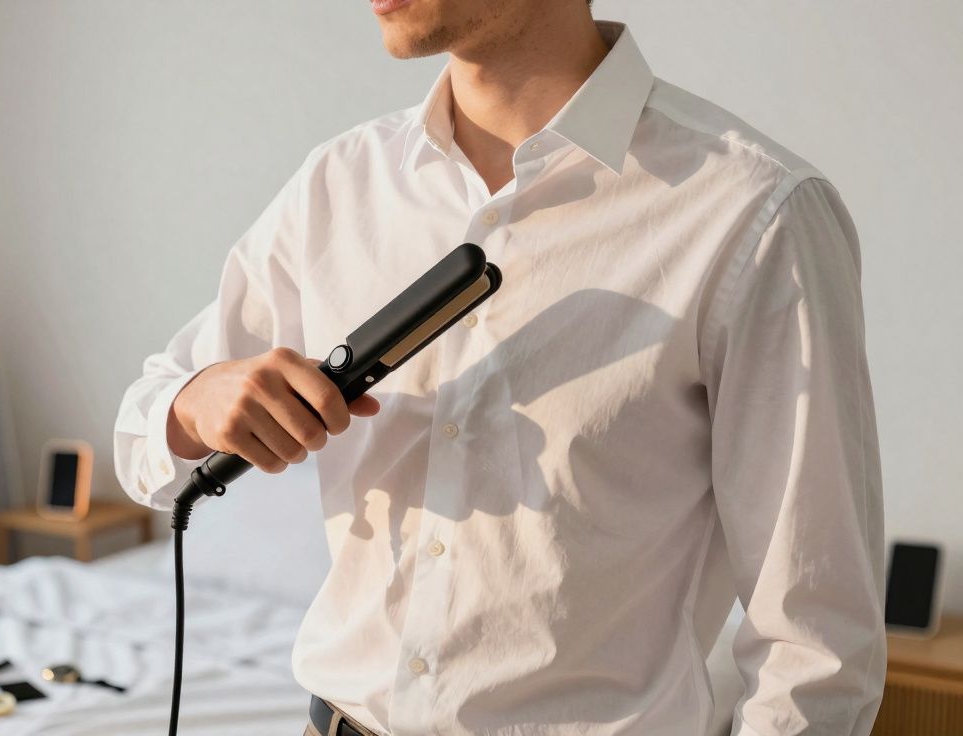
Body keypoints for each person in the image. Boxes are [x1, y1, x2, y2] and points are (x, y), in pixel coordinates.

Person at [114, 1, 886, 734]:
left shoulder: (754, 214)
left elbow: (816, 644)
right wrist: (196, 402)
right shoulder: (339, 185)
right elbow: (142, 437)